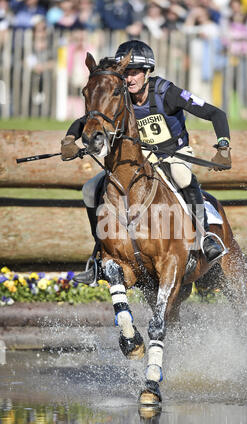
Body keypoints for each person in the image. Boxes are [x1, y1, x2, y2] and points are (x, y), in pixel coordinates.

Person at [60, 40, 232, 285]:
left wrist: (223, 146)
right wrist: (69, 138)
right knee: (90, 189)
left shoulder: (166, 92)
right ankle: (99, 253)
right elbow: (88, 119)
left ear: (147, 72)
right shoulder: (119, 95)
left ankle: (204, 238)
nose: (129, 79)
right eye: (126, 73)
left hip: (173, 154)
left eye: (134, 73)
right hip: (138, 160)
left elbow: (216, 113)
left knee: (182, 177)